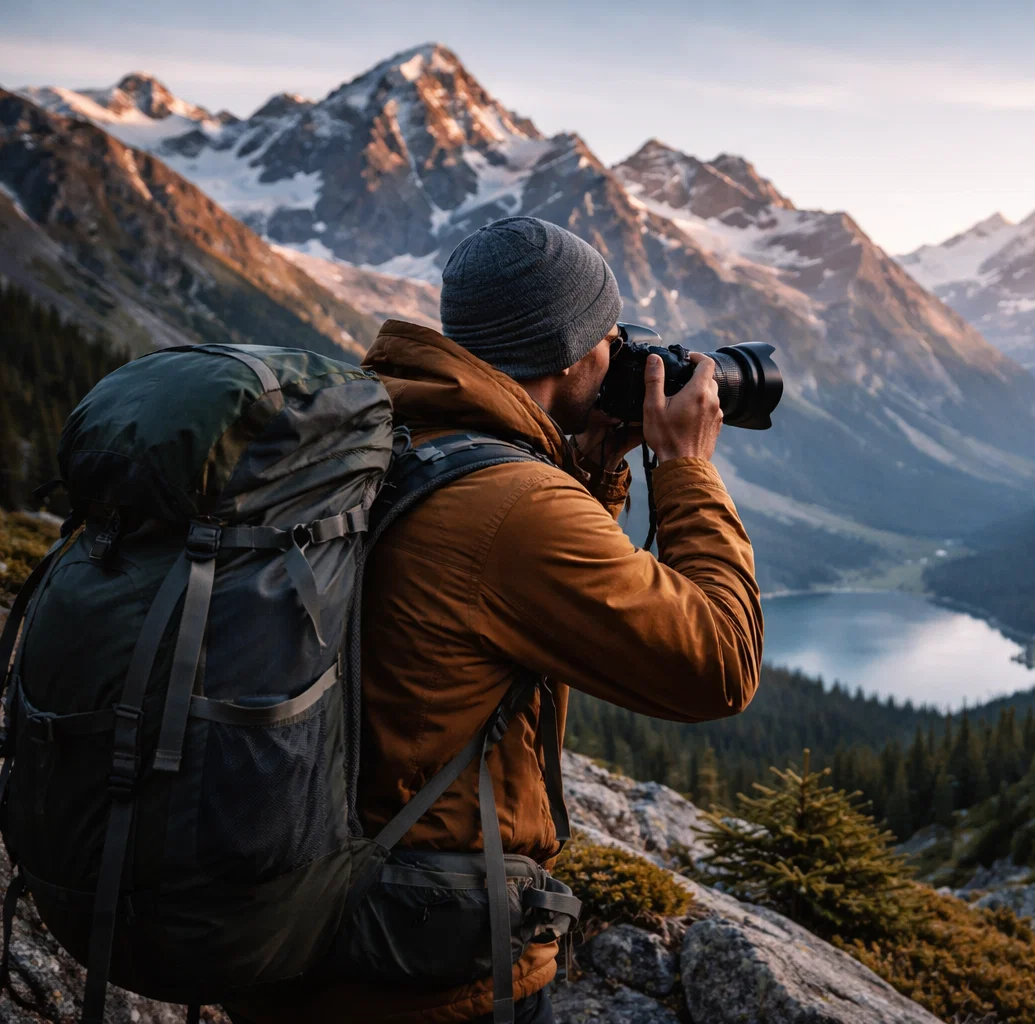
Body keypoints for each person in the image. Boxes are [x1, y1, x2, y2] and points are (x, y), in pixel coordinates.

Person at [229, 217, 763, 1023]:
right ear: (572, 351)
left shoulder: (396, 431)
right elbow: (719, 666)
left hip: (303, 917)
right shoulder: (510, 503)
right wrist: (685, 470)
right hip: (421, 969)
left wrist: (589, 468)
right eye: (608, 334)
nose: (620, 351)